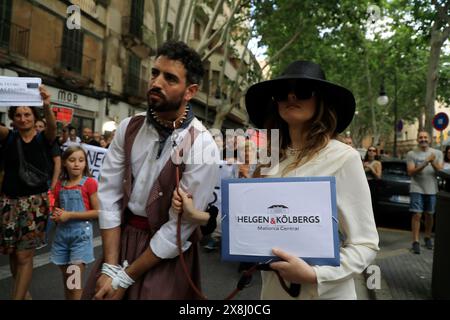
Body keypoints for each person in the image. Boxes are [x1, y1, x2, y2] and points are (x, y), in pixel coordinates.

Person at [82, 40, 219, 300]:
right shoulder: (128, 127)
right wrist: (111, 267)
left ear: (190, 91)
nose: (156, 83)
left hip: (164, 254)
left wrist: (126, 277)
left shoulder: (202, 144)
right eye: (155, 73)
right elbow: (109, 193)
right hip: (120, 242)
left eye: (169, 78)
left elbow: (180, 226)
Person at [244, 60, 379, 299]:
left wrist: (315, 275)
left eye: (303, 91)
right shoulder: (268, 160)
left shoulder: (344, 157)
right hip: (273, 292)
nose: (292, 96)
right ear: (275, 103)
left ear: (321, 101)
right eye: (282, 93)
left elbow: (365, 245)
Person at [0, 86, 57, 300]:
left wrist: (47, 106)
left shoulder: (44, 139)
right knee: (14, 256)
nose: (23, 119)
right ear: (13, 119)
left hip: (35, 204)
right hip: (8, 203)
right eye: (18, 115)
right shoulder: (8, 137)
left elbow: (52, 128)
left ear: (34, 117)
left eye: (27, 114)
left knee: (24, 254)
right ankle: (25, 296)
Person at [50, 146, 99, 299]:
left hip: (80, 238)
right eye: (72, 160)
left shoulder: (89, 183)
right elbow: (57, 208)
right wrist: (55, 214)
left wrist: (69, 215)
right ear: (64, 163)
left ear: (85, 163)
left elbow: (97, 212)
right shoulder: (60, 184)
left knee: (74, 283)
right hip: (61, 238)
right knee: (68, 282)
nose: (77, 164)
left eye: (81, 160)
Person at [406, 131, 443, 254]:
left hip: (432, 188)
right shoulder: (411, 154)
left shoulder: (437, 153)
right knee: (417, 214)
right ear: (417, 140)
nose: (423, 139)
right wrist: (426, 162)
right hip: (417, 188)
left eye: (425, 137)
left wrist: (432, 161)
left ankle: (427, 237)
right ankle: (415, 241)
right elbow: (411, 172)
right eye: (421, 137)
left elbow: (441, 171)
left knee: (429, 214)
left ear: (430, 140)